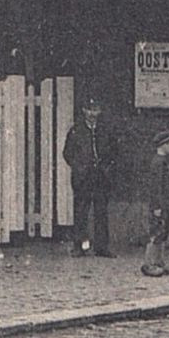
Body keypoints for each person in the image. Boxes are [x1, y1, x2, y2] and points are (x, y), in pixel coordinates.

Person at [62, 96, 117, 257]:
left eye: (95, 110)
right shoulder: (76, 131)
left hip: (101, 176)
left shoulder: (105, 131)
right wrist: (79, 166)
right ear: (84, 111)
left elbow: (113, 151)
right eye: (89, 110)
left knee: (101, 212)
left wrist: (107, 167)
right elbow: (68, 153)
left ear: (99, 111)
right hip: (83, 177)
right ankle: (79, 246)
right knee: (81, 211)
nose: (92, 113)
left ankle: (101, 247)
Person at [141, 130, 169, 277]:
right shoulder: (157, 163)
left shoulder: (164, 162)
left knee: (163, 233)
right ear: (164, 145)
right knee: (155, 233)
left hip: (166, 204)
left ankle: (160, 261)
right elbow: (155, 187)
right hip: (159, 205)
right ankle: (148, 263)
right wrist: (157, 206)